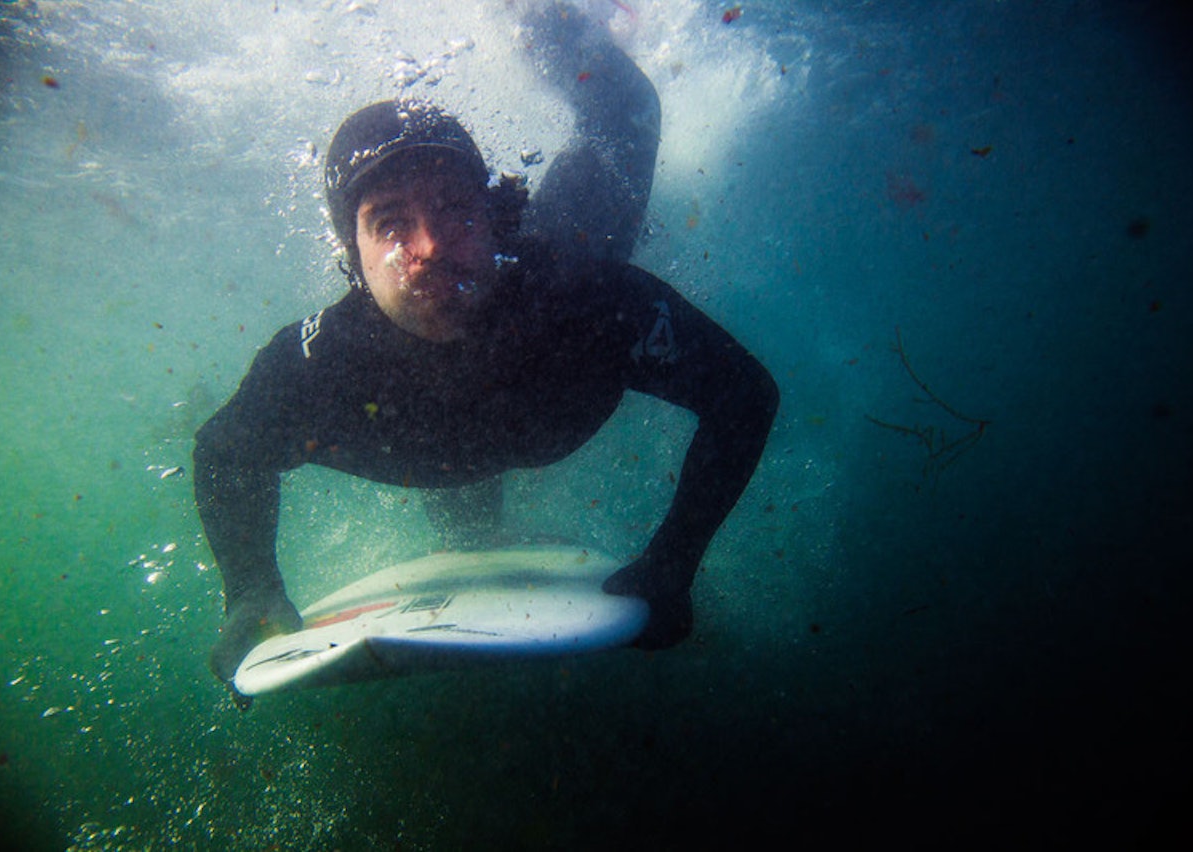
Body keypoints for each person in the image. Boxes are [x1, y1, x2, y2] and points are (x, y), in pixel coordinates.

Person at [194, 4, 778, 689]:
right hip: (465, 436)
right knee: (465, 512)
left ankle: (541, 17)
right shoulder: (317, 367)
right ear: (350, 256)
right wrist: (251, 591)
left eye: (455, 208)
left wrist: (674, 562)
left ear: (493, 216)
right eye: (390, 224)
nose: (432, 247)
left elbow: (745, 395)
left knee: (625, 107)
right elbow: (225, 453)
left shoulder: (588, 299)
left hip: (572, 233)